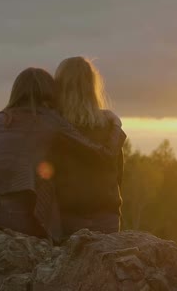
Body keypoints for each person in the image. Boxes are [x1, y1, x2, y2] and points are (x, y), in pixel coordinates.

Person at [0, 67, 120, 240]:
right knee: (45, 180)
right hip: (15, 214)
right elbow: (104, 155)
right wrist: (115, 126)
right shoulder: (52, 120)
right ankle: (57, 247)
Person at [47, 57, 126, 242]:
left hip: (65, 225)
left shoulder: (53, 130)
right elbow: (117, 180)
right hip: (108, 225)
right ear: (92, 87)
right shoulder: (110, 130)